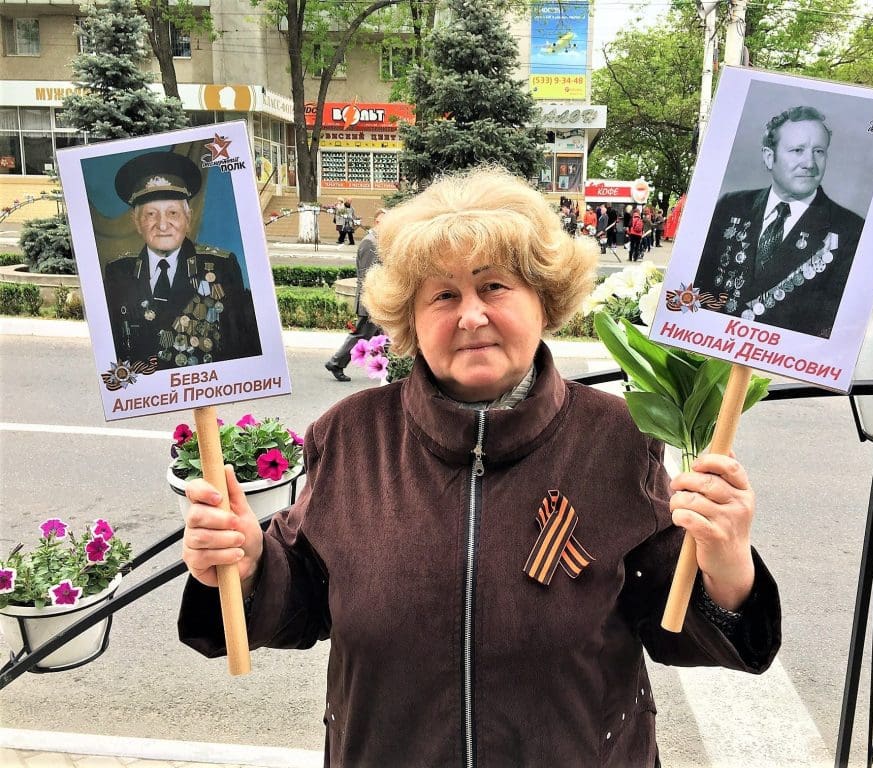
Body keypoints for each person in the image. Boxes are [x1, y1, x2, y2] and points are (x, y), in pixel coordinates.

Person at [177, 166, 781, 767]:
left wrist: (726, 564)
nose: (471, 316)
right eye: (443, 295)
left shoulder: (618, 438)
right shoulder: (351, 435)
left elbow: (671, 617)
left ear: (543, 300)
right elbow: (304, 591)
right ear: (410, 319)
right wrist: (251, 565)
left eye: (494, 286)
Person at [693, 105, 865, 339]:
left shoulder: (850, 230)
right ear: (769, 157)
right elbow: (699, 285)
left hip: (783, 364)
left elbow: (832, 327)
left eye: (819, 152)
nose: (809, 163)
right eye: (797, 150)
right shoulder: (731, 206)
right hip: (714, 345)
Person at [103, 151, 261, 369]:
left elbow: (242, 347)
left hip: (202, 390)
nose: (163, 225)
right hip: (146, 395)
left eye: (173, 213)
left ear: (188, 218)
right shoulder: (118, 272)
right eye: (150, 214)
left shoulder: (222, 267)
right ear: (136, 222)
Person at [325, 208, 387, 381]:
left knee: (383, 337)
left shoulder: (379, 242)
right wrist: (372, 302)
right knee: (362, 334)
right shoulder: (370, 243)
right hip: (371, 300)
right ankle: (336, 362)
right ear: (377, 222)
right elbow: (368, 276)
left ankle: (391, 371)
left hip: (378, 299)